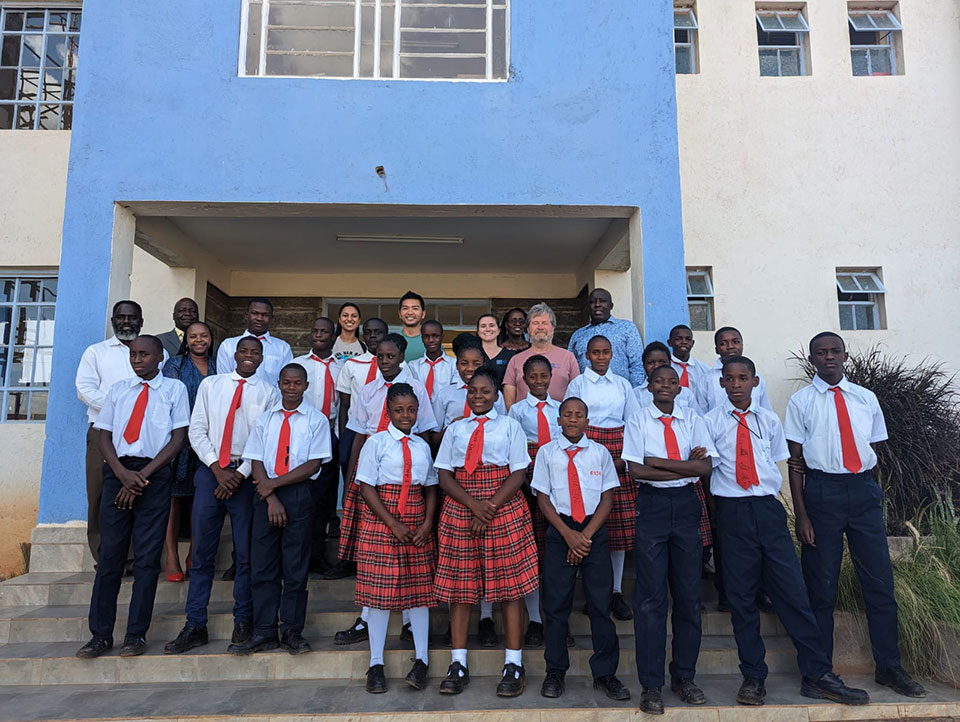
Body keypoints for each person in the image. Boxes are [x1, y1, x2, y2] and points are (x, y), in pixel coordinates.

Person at [702, 355, 870, 706]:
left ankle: (817, 673)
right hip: (732, 514)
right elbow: (708, 472)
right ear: (721, 384)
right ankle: (753, 677)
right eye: (729, 379)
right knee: (742, 598)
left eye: (743, 378)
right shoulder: (708, 422)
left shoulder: (769, 420)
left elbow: (777, 462)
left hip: (767, 509)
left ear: (755, 382)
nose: (736, 385)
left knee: (793, 592)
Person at [785, 332, 926, 699]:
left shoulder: (866, 399)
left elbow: (873, 450)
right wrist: (802, 514)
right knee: (821, 587)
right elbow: (796, 462)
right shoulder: (801, 402)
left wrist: (871, 495)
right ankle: (817, 672)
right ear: (812, 358)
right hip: (821, 492)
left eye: (834, 351)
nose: (828, 357)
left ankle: (889, 667)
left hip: (863, 491)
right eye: (821, 352)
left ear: (845, 356)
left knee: (879, 584)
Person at [164, 337, 279, 655]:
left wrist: (238, 476)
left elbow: (263, 439)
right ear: (234, 354)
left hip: (245, 477)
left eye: (255, 352)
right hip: (210, 473)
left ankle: (242, 620)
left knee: (244, 555)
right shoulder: (211, 386)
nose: (249, 357)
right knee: (202, 554)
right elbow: (196, 429)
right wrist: (217, 469)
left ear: (262, 358)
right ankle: (195, 623)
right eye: (244, 351)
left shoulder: (269, 393)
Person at [75, 335, 189, 659]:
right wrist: (123, 475)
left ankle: (135, 635)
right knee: (110, 557)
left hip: (154, 474)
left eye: (144, 354)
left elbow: (178, 438)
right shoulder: (119, 390)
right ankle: (100, 635)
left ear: (159, 358)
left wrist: (143, 476)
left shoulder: (174, 390)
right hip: (118, 473)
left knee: (147, 559)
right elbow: (103, 435)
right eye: (134, 354)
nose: (137, 359)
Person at [434, 367, 539, 698]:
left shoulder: (510, 426)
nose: (478, 396)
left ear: (497, 395)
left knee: (509, 587)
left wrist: (489, 506)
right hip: (461, 505)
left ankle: (513, 662)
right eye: (472, 391)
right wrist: (472, 505)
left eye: (485, 391)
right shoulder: (455, 429)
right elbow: (444, 474)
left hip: (503, 505)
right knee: (461, 587)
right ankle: (458, 662)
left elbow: (519, 471)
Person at [331, 333, 438, 640]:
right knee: (374, 558)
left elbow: (427, 432)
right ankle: (366, 618)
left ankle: (408, 620)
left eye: (391, 357)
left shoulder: (415, 388)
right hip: (373, 477)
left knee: (409, 552)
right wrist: (351, 476)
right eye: (380, 357)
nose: (385, 362)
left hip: (405, 475)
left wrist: (425, 475)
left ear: (402, 357)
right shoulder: (368, 389)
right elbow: (359, 434)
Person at [622, 364, 715, 715]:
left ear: (679, 387)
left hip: (687, 506)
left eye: (671, 382)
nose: (665, 386)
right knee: (650, 599)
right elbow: (637, 470)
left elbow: (705, 469)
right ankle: (651, 685)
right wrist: (681, 464)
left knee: (689, 597)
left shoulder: (693, 419)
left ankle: (684, 676)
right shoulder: (638, 420)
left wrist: (658, 461)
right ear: (649, 386)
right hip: (653, 505)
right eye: (658, 381)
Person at [230, 363, 333, 655]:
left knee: (295, 566)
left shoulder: (316, 420)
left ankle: (291, 630)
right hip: (265, 496)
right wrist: (270, 495)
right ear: (279, 383)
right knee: (263, 565)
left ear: (305, 386)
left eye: (297, 383)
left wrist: (273, 486)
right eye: (286, 382)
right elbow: (256, 458)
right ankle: (264, 630)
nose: (291, 387)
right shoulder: (266, 420)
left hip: (298, 493)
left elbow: (313, 464)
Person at [533, 397, 629, 702]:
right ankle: (555, 671)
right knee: (556, 606)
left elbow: (607, 499)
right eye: (567, 415)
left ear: (588, 421)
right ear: (558, 420)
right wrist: (568, 536)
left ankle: (605, 674)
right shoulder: (547, 453)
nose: (573, 419)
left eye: (579, 415)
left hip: (593, 533)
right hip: (560, 530)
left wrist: (584, 537)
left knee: (600, 606)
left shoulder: (599, 453)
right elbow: (543, 499)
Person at [355, 383, 437, 694]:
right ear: (388, 411)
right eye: (399, 410)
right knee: (379, 593)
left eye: (411, 410)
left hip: (416, 518)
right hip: (382, 519)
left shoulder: (421, 446)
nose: (406, 415)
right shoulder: (375, 443)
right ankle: (375, 663)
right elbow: (366, 488)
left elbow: (429, 485)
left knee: (419, 591)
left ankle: (422, 660)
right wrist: (392, 524)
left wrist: (427, 523)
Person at [76, 300, 166, 561]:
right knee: (101, 492)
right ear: (113, 320)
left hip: (147, 438)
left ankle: (136, 557)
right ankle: (105, 557)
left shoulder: (159, 353)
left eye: (132, 317)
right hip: (104, 433)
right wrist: (119, 410)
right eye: (121, 317)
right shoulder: (96, 352)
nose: (127, 321)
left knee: (143, 491)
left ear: (141, 321)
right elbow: (85, 390)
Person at [563, 335, 641, 621]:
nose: (600, 357)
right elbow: (573, 421)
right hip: (586, 450)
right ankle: (593, 591)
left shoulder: (622, 385)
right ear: (586, 355)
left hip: (618, 452)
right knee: (586, 519)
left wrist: (624, 459)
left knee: (617, 526)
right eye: (595, 352)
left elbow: (632, 423)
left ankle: (616, 591)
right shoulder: (578, 385)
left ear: (612, 354)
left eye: (605, 352)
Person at [507, 354, 560, 647]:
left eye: (544, 376)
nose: (539, 381)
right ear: (524, 380)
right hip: (526, 484)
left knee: (551, 555)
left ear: (551, 377)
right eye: (533, 377)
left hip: (556, 485)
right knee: (530, 556)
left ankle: (554, 618)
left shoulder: (560, 410)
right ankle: (535, 621)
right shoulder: (516, 412)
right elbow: (515, 450)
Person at [161, 321, 217, 582]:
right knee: (173, 500)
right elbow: (167, 401)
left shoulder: (219, 367)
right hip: (178, 438)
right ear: (187, 340)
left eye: (203, 335)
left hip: (207, 441)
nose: (198, 340)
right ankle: (171, 555)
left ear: (210, 338)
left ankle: (195, 552)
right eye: (193, 336)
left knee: (201, 499)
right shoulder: (175, 364)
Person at [292, 317, 342, 574]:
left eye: (325, 331)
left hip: (329, 438)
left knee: (323, 501)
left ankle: (317, 554)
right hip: (300, 439)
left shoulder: (342, 367)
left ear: (334, 336)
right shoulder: (297, 364)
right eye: (315, 330)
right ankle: (295, 557)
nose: (319, 335)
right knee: (299, 500)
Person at [335, 318, 388, 504]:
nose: (373, 336)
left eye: (378, 332)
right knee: (353, 479)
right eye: (368, 332)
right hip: (355, 431)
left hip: (385, 431)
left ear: (386, 334)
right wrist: (344, 437)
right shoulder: (352, 364)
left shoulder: (398, 366)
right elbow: (344, 405)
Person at [502, 303, 579, 407]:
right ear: (528, 329)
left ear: (553, 328)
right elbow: (509, 399)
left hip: (559, 421)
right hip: (523, 420)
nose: (540, 327)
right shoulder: (515, 360)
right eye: (535, 323)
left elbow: (577, 393)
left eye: (545, 323)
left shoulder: (568, 357)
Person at [567, 288, 645, 386]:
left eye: (602, 301)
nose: (597, 305)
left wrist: (631, 394)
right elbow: (570, 367)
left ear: (611, 306)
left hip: (620, 393)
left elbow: (637, 365)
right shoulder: (578, 335)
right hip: (586, 394)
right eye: (592, 302)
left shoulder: (627, 328)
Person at [433, 333, 506, 432]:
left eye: (476, 364)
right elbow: (434, 436)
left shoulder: (495, 394)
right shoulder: (445, 394)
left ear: (483, 364)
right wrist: (452, 427)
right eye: (464, 363)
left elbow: (503, 427)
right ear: (457, 365)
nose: (470, 369)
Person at [217, 298, 293, 386]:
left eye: (265, 315)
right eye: (255, 313)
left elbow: (286, 381)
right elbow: (223, 379)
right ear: (246, 315)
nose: (259, 318)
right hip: (235, 398)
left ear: (272, 318)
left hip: (271, 399)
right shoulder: (228, 345)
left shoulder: (283, 348)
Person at [695, 326, 772, 414]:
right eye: (723, 343)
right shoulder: (706, 380)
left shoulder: (755, 378)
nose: (730, 346)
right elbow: (701, 414)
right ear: (716, 349)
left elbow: (765, 410)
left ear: (742, 345)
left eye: (735, 342)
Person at [633, 341, 702, 415]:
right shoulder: (636, 394)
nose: (656, 366)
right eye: (650, 362)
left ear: (670, 363)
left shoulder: (685, 393)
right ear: (643, 365)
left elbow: (697, 418)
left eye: (662, 362)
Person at [408, 320, 456, 400]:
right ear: (422, 339)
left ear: (442, 337)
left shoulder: (454, 365)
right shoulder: (413, 366)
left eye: (435, 336)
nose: (431, 340)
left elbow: (454, 393)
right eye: (426, 336)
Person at [478, 311, 526, 388]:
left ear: (498, 330)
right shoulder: (473, 355)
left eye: (491, 325)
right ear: (478, 332)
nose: (487, 329)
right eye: (483, 326)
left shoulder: (510, 356)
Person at [667, 324, 710, 397]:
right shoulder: (665, 367)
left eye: (688, 339)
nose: (684, 342)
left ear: (692, 343)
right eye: (678, 339)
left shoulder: (704, 370)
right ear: (670, 343)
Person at [398, 290, 427, 362]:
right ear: (399, 314)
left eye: (415, 308)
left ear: (423, 314)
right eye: (405, 308)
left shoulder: (431, 341)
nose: (410, 312)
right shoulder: (392, 341)